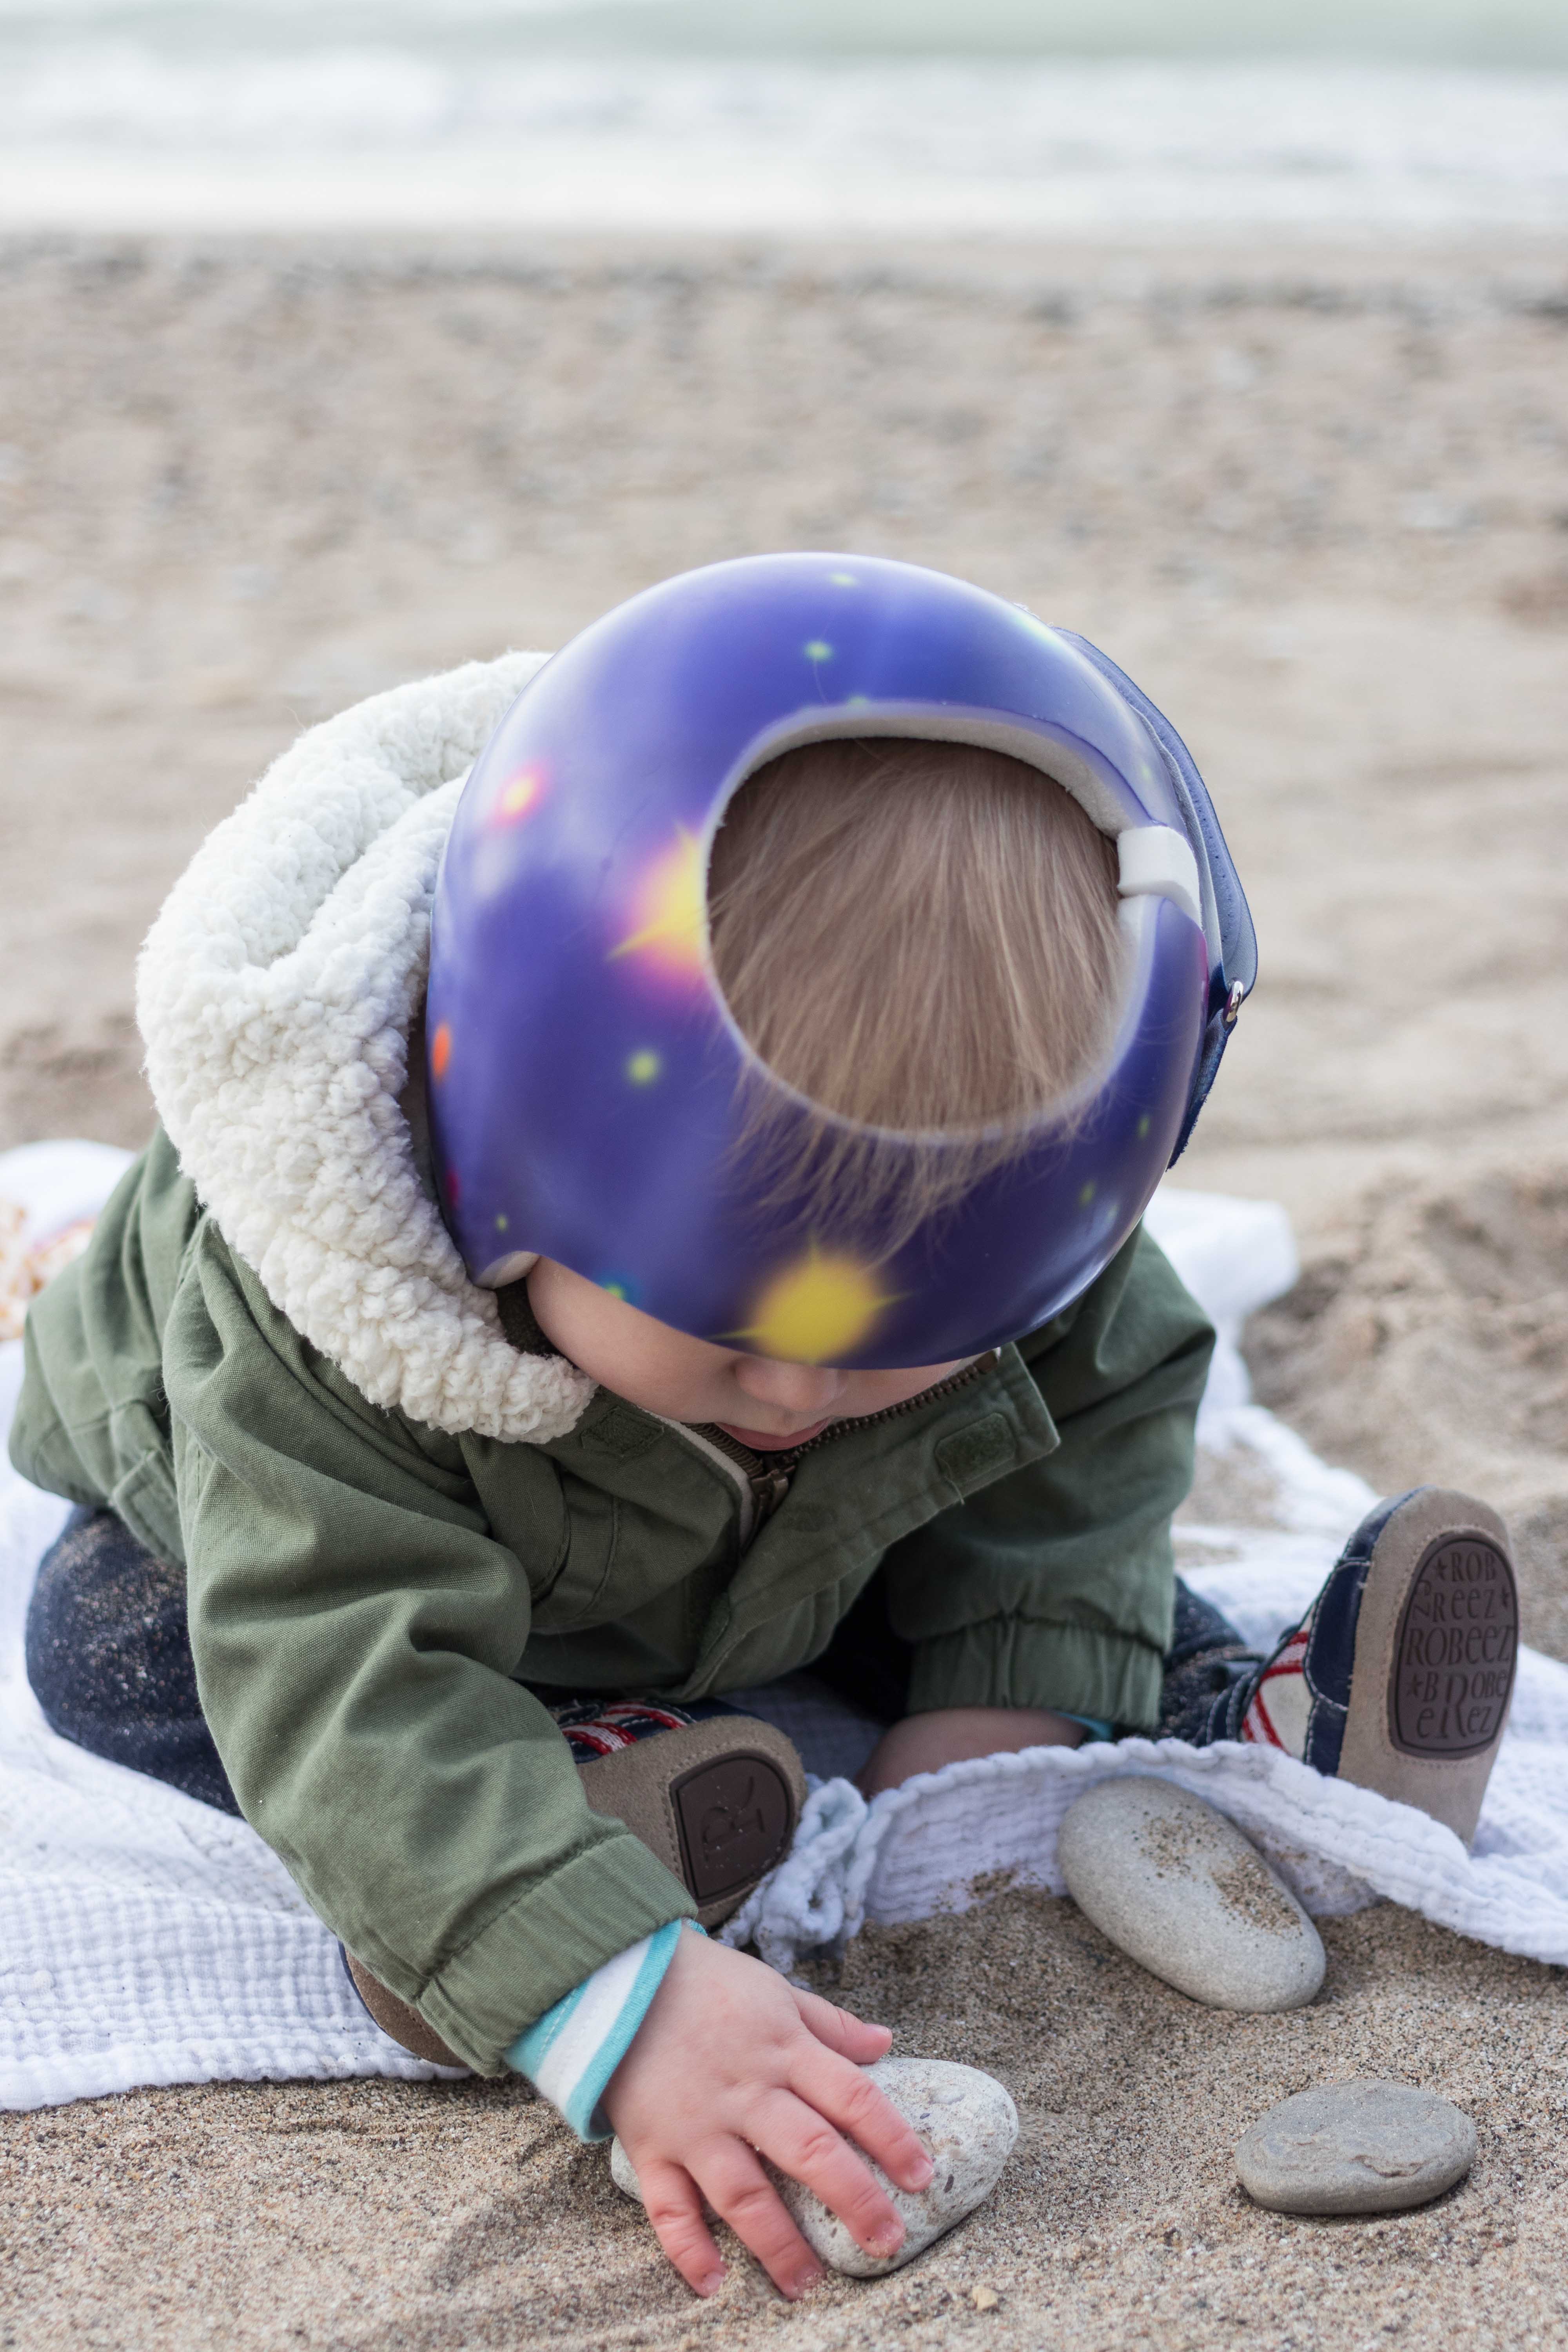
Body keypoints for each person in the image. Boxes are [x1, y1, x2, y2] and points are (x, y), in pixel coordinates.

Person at [10, 555, 1517, 2303]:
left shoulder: (1006, 1234)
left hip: (786, 1550)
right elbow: (334, 1652)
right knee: (134, 1656)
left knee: (1034, 1536)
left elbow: (1089, 1428)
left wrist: (1002, 1709)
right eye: (730, 1332)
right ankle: (537, 1847)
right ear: (499, 1147)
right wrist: (611, 2001)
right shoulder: (325, 1295)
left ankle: (1287, 1735)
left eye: (913, 1332)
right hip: (343, 1553)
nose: (802, 1389)